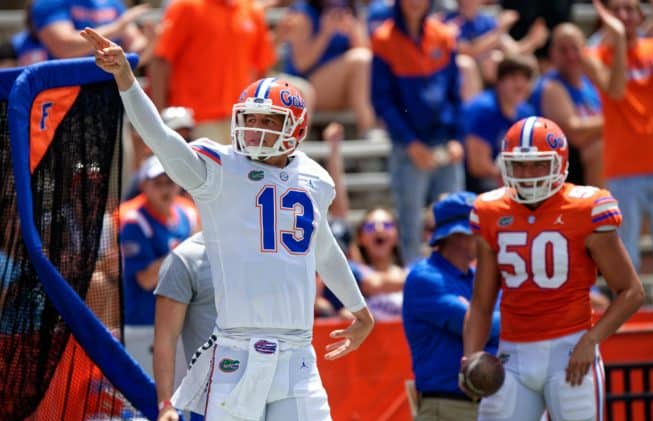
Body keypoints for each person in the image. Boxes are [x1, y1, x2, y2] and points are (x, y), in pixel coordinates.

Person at [82, 28, 374, 421]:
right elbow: (162, 139)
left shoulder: (316, 179)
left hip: (298, 357)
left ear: (294, 129)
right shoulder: (219, 169)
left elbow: (323, 248)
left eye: (267, 121)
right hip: (238, 353)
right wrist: (127, 79)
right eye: (249, 118)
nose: (254, 128)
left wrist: (359, 308)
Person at [461, 116, 644, 421]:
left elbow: (631, 291)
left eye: (537, 165)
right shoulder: (489, 210)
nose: (528, 176)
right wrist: (471, 354)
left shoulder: (586, 207)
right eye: (520, 166)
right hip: (511, 359)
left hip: (570, 355)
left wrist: (591, 340)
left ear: (559, 164)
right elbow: (482, 302)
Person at [583, 0, 653, 306]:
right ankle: (627, 316)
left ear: (641, 15)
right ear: (606, 16)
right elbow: (616, 91)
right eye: (617, 10)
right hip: (623, 168)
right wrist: (619, 41)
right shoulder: (595, 54)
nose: (624, 16)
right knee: (626, 255)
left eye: (630, 9)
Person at [153, 232, 272, 421]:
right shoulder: (185, 258)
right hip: (212, 408)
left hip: (269, 405)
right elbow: (165, 339)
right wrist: (165, 405)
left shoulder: (270, 253)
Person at [402, 191, 500, 421]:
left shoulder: (477, 276)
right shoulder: (425, 278)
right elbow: (486, 326)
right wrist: (500, 317)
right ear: (459, 235)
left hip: (485, 405)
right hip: (450, 408)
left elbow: (495, 320)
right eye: (478, 229)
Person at [371, 0, 465, 265]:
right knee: (410, 221)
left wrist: (457, 137)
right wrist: (411, 143)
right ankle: (414, 280)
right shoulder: (383, 39)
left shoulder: (443, 35)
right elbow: (383, 101)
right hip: (408, 146)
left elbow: (455, 92)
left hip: (445, 141)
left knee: (455, 217)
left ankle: (456, 277)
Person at [150, 0, 277, 143]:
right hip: (194, 122)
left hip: (240, 120)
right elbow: (160, 61)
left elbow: (262, 67)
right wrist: (158, 117)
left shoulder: (252, 10)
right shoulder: (186, 6)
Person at [119, 156, 198, 376]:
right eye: (158, 183)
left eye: (170, 182)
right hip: (146, 325)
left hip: (182, 324)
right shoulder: (135, 221)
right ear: (144, 185)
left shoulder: (188, 215)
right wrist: (184, 250)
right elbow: (145, 279)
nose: (165, 189)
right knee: (149, 399)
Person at [279, 0, 377, 137]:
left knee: (364, 60)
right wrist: (325, 35)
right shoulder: (303, 11)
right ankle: (367, 128)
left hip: (343, 91)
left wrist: (353, 31)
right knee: (360, 59)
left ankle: (370, 131)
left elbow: (368, 58)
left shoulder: (351, 8)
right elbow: (301, 65)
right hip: (305, 88)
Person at [531, 23, 604, 188]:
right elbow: (574, 134)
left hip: (589, 162)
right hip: (562, 167)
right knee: (599, 148)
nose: (571, 55)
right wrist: (613, 122)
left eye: (575, 48)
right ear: (552, 53)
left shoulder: (589, 83)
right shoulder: (551, 86)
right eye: (563, 50)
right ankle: (598, 209)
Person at [464, 54, 536, 194]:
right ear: (499, 81)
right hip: (474, 184)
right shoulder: (483, 109)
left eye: (526, 79)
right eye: (514, 78)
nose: (520, 84)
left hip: (507, 178)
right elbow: (477, 166)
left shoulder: (526, 113)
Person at [31, 0, 147, 60]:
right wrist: (116, 28)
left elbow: (135, 52)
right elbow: (63, 47)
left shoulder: (112, 3)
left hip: (112, 88)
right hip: (68, 90)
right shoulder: (50, 2)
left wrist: (153, 38)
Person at [355, 207, 406, 320]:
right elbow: (372, 284)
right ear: (360, 238)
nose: (379, 229)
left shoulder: (410, 270)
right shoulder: (353, 271)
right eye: (370, 226)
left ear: (397, 236)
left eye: (387, 225)